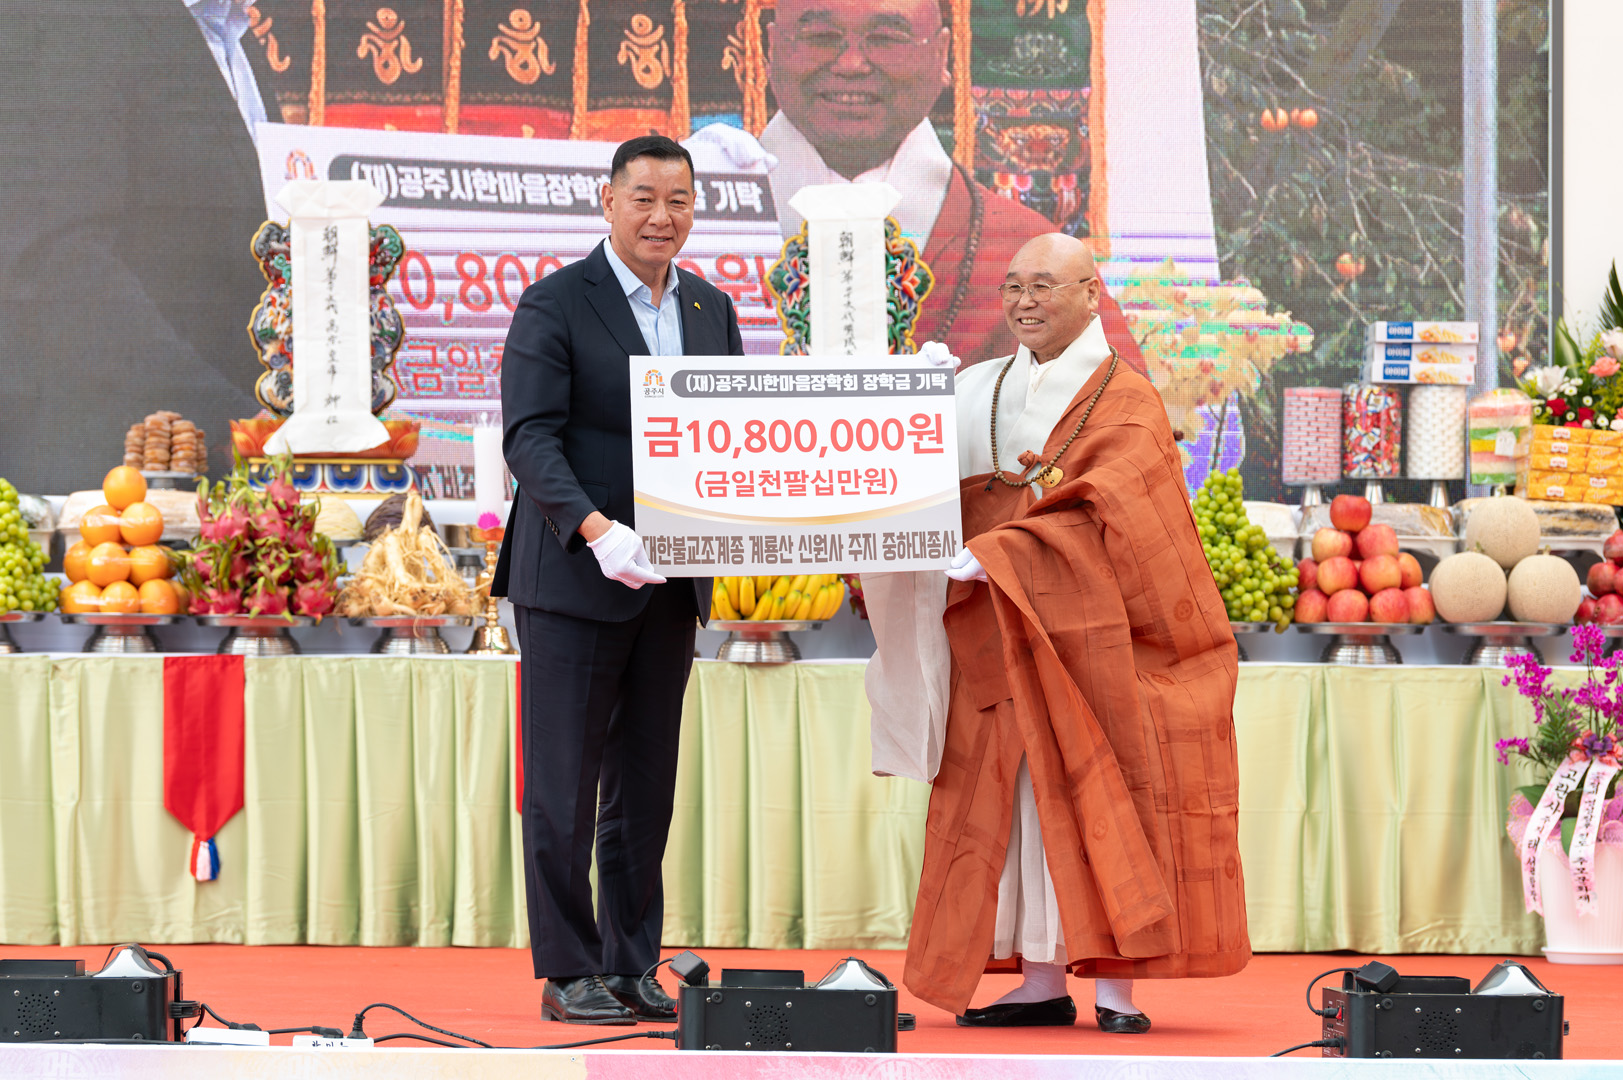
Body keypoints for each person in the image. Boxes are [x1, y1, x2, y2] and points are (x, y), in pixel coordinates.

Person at [865, 233, 1248, 1033]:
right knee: (1013, 805)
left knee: (1100, 798)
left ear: (1090, 293)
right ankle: (1040, 981)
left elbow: (1123, 510)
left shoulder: (1126, 398)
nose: (1024, 301)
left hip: (1090, 637)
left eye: (1044, 284)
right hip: (991, 633)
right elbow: (907, 477)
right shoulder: (974, 388)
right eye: (1012, 285)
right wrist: (906, 401)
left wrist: (1004, 550)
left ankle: (1115, 993)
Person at [492, 134, 745, 1025]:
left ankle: (630, 963)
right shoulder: (556, 302)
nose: (660, 217)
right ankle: (567, 971)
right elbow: (528, 437)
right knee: (561, 785)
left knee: (643, 785)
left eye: (678, 200)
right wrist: (596, 532)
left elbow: (733, 435)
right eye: (644, 198)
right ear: (608, 202)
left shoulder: (711, 308)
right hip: (574, 577)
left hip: (671, 584)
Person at [760, 0, 1144, 370]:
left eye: (886, 38)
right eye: (821, 36)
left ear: (941, 55)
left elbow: (1123, 407)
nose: (851, 64)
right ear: (771, 48)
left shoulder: (1023, 250)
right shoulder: (725, 237)